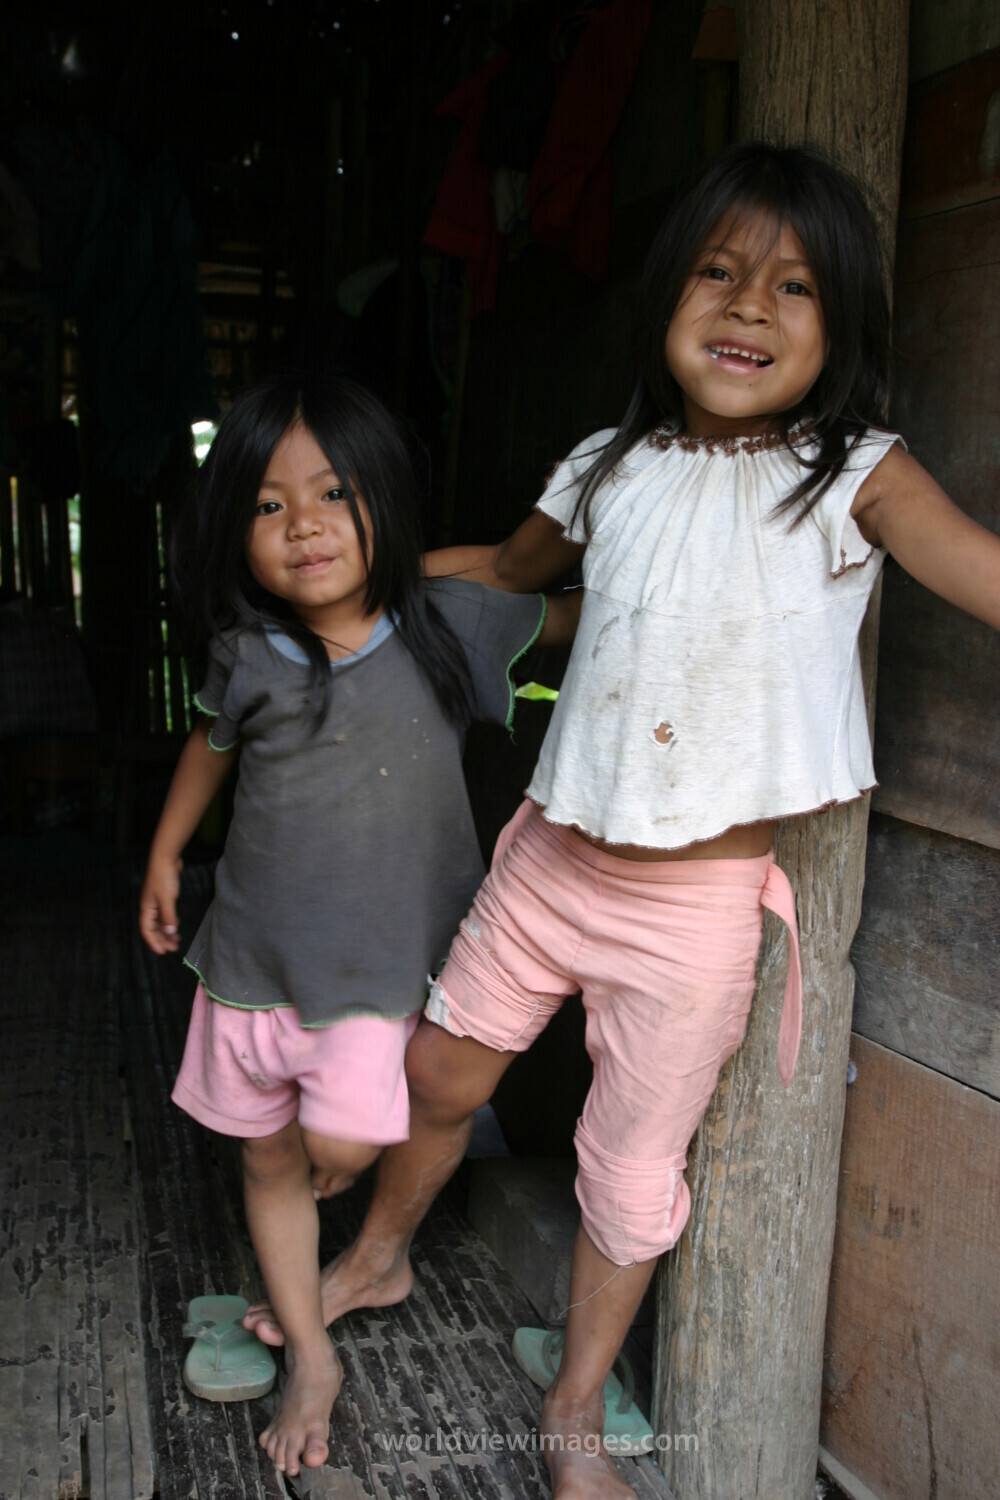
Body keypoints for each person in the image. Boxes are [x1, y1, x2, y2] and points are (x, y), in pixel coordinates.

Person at [242, 144, 1000, 1497]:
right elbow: (504, 570)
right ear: (666, 299)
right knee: (440, 1076)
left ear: (844, 330)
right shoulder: (610, 465)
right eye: (717, 274)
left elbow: (986, 574)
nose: (750, 308)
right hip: (548, 862)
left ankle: (576, 1405)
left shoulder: (858, 480)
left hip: (697, 913)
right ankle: (378, 1251)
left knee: (632, 1169)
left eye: (795, 288)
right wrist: (361, 588)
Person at [138, 370, 578, 1479]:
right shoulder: (246, 655)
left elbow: (581, 603)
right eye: (268, 505)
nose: (303, 527)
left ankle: (372, 1258)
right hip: (249, 965)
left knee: (342, 1140)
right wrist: (162, 850)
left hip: (383, 981)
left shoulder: (452, 628)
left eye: (334, 493)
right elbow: (210, 746)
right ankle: (314, 1358)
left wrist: (440, 560)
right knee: (268, 1165)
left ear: (385, 500)